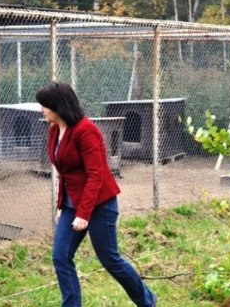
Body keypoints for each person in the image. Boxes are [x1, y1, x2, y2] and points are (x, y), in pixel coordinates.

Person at [36, 82, 156, 307]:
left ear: (58, 106)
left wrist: (84, 213)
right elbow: (65, 171)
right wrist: (62, 206)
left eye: (44, 106)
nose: (41, 110)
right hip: (73, 206)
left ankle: (147, 301)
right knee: (60, 257)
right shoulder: (54, 130)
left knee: (110, 259)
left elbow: (96, 175)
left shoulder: (86, 130)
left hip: (100, 205)